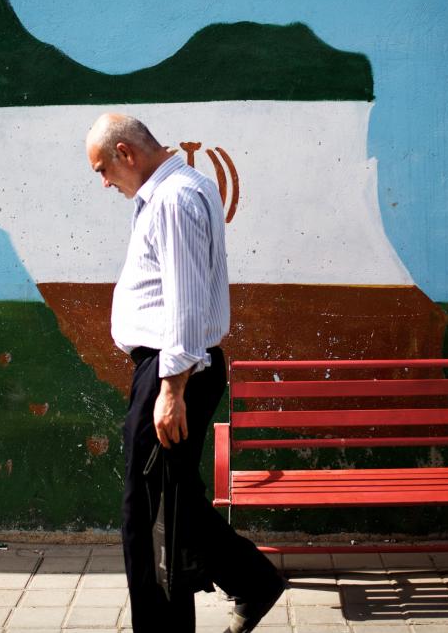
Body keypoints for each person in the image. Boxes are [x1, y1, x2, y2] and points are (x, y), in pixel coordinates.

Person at [85, 113, 285, 633]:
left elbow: (187, 299)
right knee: (172, 499)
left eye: (103, 168)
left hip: (174, 369)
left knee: (147, 510)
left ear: (126, 152)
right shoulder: (180, 187)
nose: (104, 182)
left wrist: (171, 386)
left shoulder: (173, 198)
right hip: (176, 365)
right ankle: (253, 579)